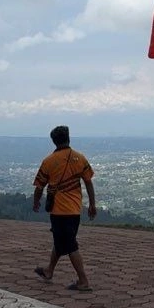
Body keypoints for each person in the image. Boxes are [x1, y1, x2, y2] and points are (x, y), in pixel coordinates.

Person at [32, 125, 96, 292]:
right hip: (75, 210)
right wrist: (92, 204)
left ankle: (83, 281)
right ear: (69, 138)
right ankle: (49, 271)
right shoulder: (80, 158)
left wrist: (36, 202)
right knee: (60, 242)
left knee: (69, 244)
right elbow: (88, 182)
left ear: (54, 141)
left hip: (59, 211)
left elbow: (39, 186)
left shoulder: (48, 161)